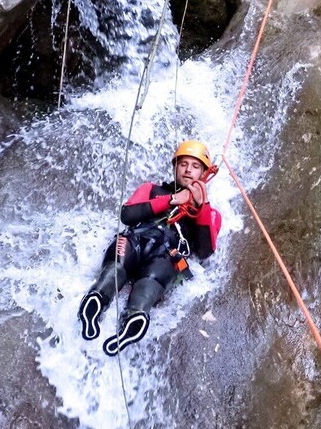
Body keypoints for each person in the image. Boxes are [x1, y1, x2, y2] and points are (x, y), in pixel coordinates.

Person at [78, 140, 223, 356]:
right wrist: (173, 199)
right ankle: (96, 301)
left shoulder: (210, 214)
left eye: (195, 166)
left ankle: (133, 319)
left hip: (166, 257)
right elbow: (127, 215)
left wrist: (201, 207)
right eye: (183, 164)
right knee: (118, 265)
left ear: (203, 173)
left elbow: (204, 252)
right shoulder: (151, 189)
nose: (188, 170)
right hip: (134, 242)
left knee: (152, 279)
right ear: (175, 167)